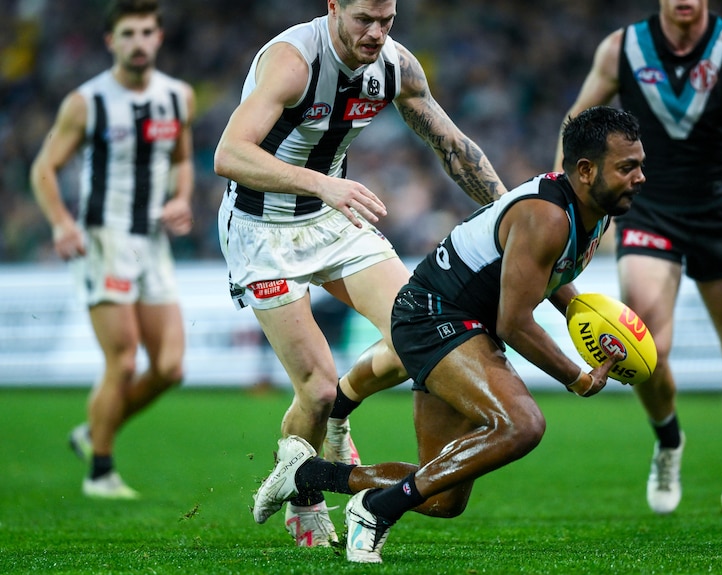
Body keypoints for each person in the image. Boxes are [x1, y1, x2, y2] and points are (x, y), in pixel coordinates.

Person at [248, 105, 645, 564]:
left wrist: (579, 310)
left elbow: (546, 277)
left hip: (461, 324)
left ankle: (307, 474)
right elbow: (513, 323)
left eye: (639, 165)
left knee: (441, 498)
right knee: (523, 424)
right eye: (627, 167)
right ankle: (376, 510)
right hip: (435, 316)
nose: (639, 177)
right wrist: (576, 376)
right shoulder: (547, 216)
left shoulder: (593, 210)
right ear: (585, 169)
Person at [213, 0, 505, 547]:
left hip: (333, 218)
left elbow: (454, 147)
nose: (376, 33)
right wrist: (321, 182)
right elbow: (229, 154)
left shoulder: (397, 66)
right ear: (333, 9)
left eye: (387, 20)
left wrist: (513, 214)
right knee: (315, 390)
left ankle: (343, 413)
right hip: (263, 228)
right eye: (363, 20)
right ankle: (304, 496)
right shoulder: (293, 60)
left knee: (422, 336)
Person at [554, 0, 722, 517]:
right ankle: (668, 440)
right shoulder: (622, 49)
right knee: (647, 344)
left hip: (718, 214)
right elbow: (575, 128)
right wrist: (564, 203)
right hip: (648, 209)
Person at [29, 0, 195, 500]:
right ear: (111, 41)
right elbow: (43, 169)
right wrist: (61, 224)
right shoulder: (87, 101)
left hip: (153, 242)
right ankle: (100, 469)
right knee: (121, 362)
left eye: (147, 31)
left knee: (170, 368)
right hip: (106, 239)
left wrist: (182, 199)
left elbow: (183, 160)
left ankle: (91, 432)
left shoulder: (178, 97)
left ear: (159, 38)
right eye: (128, 33)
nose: (138, 42)